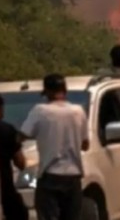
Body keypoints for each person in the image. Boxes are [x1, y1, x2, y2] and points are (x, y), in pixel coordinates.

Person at [21, 73, 90, 220]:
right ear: (65, 91)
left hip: (50, 175)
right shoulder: (78, 111)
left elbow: (22, 135)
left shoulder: (40, 111)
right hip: (73, 176)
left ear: (47, 92)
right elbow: (85, 145)